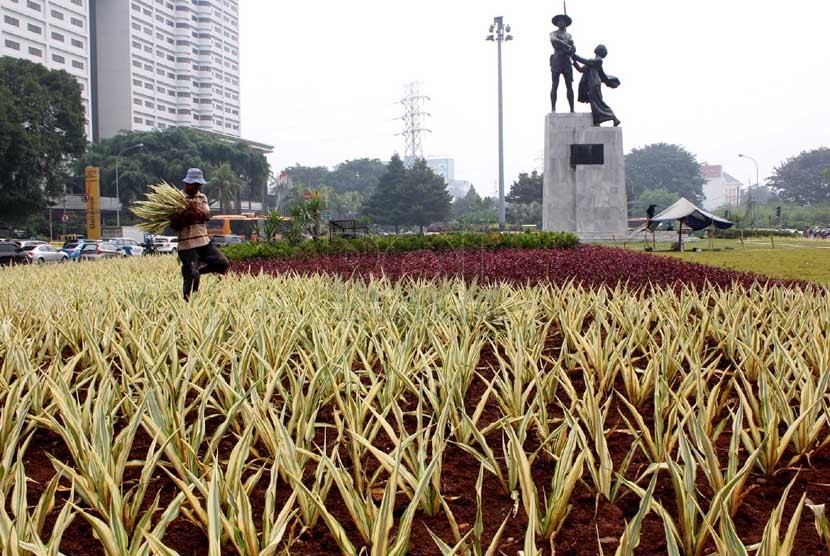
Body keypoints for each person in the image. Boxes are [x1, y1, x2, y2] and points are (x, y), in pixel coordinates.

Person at [174, 168, 229, 301]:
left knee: (223, 264)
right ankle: (187, 301)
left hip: (203, 242)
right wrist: (186, 213)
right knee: (192, 276)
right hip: (187, 245)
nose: (197, 187)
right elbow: (175, 223)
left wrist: (194, 210)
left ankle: (194, 271)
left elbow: (206, 215)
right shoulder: (177, 198)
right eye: (194, 184)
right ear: (187, 183)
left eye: (199, 184)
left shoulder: (202, 197)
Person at [572, 44, 621, 127]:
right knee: (594, 103)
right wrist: (574, 62)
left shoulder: (598, 61)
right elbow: (581, 70)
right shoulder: (592, 62)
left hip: (594, 84)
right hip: (591, 84)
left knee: (598, 102)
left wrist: (574, 56)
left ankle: (614, 118)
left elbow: (586, 61)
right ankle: (597, 121)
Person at [549, 14, 576, 113]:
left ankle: (572, 109)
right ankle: (553, 108)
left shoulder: (569, 36)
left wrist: (572, 46)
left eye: (563, 21)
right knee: (555, 85)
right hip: (556, 60)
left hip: (566, 61)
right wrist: (565, 44)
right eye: (560, 21)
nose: (561, 23)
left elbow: (573, 49)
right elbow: (553, 40)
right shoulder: (553, 33)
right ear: (557, 23)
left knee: (569, 86)